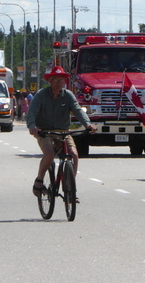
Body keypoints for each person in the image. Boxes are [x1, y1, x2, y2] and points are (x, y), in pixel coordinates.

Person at [27, 66, 96, 199]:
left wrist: (87, 124)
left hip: (63, 131)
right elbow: (32, 113)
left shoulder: (68, 95)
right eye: (56, 80)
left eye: (62, 80)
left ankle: (70, 187)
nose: (60, 83)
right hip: (44, 131)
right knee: (50, 154)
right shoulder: (41, 95)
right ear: (50, 81)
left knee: (74, 154)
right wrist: (32, 126)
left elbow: (78, 110)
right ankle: (39, 180)